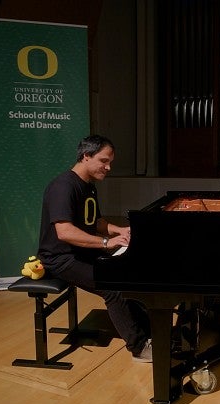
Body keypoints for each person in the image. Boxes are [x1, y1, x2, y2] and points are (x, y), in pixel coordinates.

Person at [37, 134, 152, 362]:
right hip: (60, 258)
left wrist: (119, 230)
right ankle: (139, 348)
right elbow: (65, 232)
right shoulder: (63, 186)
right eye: (104, 161)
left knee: (125, 275)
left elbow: (95, 222)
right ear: (86, 156)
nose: (108, 167)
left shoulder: (88, 186)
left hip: (81, 252)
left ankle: (151, 332)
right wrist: (106, 243)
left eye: (110, 162)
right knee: (112, 288)